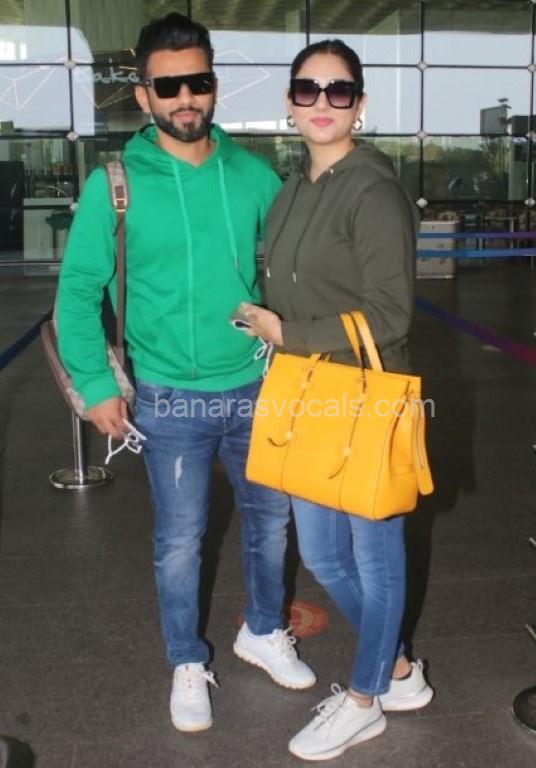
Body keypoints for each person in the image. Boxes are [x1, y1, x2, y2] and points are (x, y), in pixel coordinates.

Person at [56, 13, 315, 734]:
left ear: (214, 85)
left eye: (196, 81)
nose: (185, 98)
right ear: (143, 95)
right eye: (167, 86)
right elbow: (77, 292)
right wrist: (96, 386)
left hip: (256, 384)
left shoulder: (255, 178)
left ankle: (263, 629)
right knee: (179, 539)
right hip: (169, 396)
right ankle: (185, 660)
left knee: (271, 523)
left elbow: (295, 274)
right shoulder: (115, 184)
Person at [240, 39, 434, 761]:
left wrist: (288, 332)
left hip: (364, 397)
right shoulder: (292, 190)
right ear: (289, 102)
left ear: (359, 103)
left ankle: (364, 699)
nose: (322, 103)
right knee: (323, 555)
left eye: (339, 90)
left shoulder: (373, 191)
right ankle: (399, 669)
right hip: (309, 396)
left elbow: (392, 314)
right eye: (308, 89)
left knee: (377, 562)